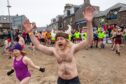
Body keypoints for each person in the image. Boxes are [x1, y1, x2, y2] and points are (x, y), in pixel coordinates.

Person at [23, 6, 94, 84]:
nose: (59, 41)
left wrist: (89, 22)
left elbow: (88, 40)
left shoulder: (72, 48)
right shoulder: (54, 50)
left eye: (61, 39)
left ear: (66, 41)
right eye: (57, 39)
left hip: (73, 80)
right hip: (61, 80)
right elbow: (38, 46)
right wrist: (30, 33)